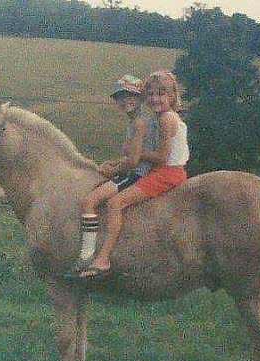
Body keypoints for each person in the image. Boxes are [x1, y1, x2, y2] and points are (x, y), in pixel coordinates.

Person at [79, 71, 189, 279]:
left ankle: (103, 258)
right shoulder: (160, 118)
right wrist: (127, 158)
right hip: (164, 170)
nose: (155, 98)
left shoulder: (164, 119)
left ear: (172, 96)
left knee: (115, 203)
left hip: (167, 173)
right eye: (151, 94)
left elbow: (162, 157)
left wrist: (134, 155)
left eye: (161, 94)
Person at [69, 74, 153, 275]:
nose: (125, 100)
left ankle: (87, 255)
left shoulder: (139, 124)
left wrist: (113, 170)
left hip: (137, 175)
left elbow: (134, 162)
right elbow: (135, 155)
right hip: (135, 170)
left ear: (140, 98)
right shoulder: (137, 121)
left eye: (130, 95)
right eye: (120, 96)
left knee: (89, 201)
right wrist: (114, 163)